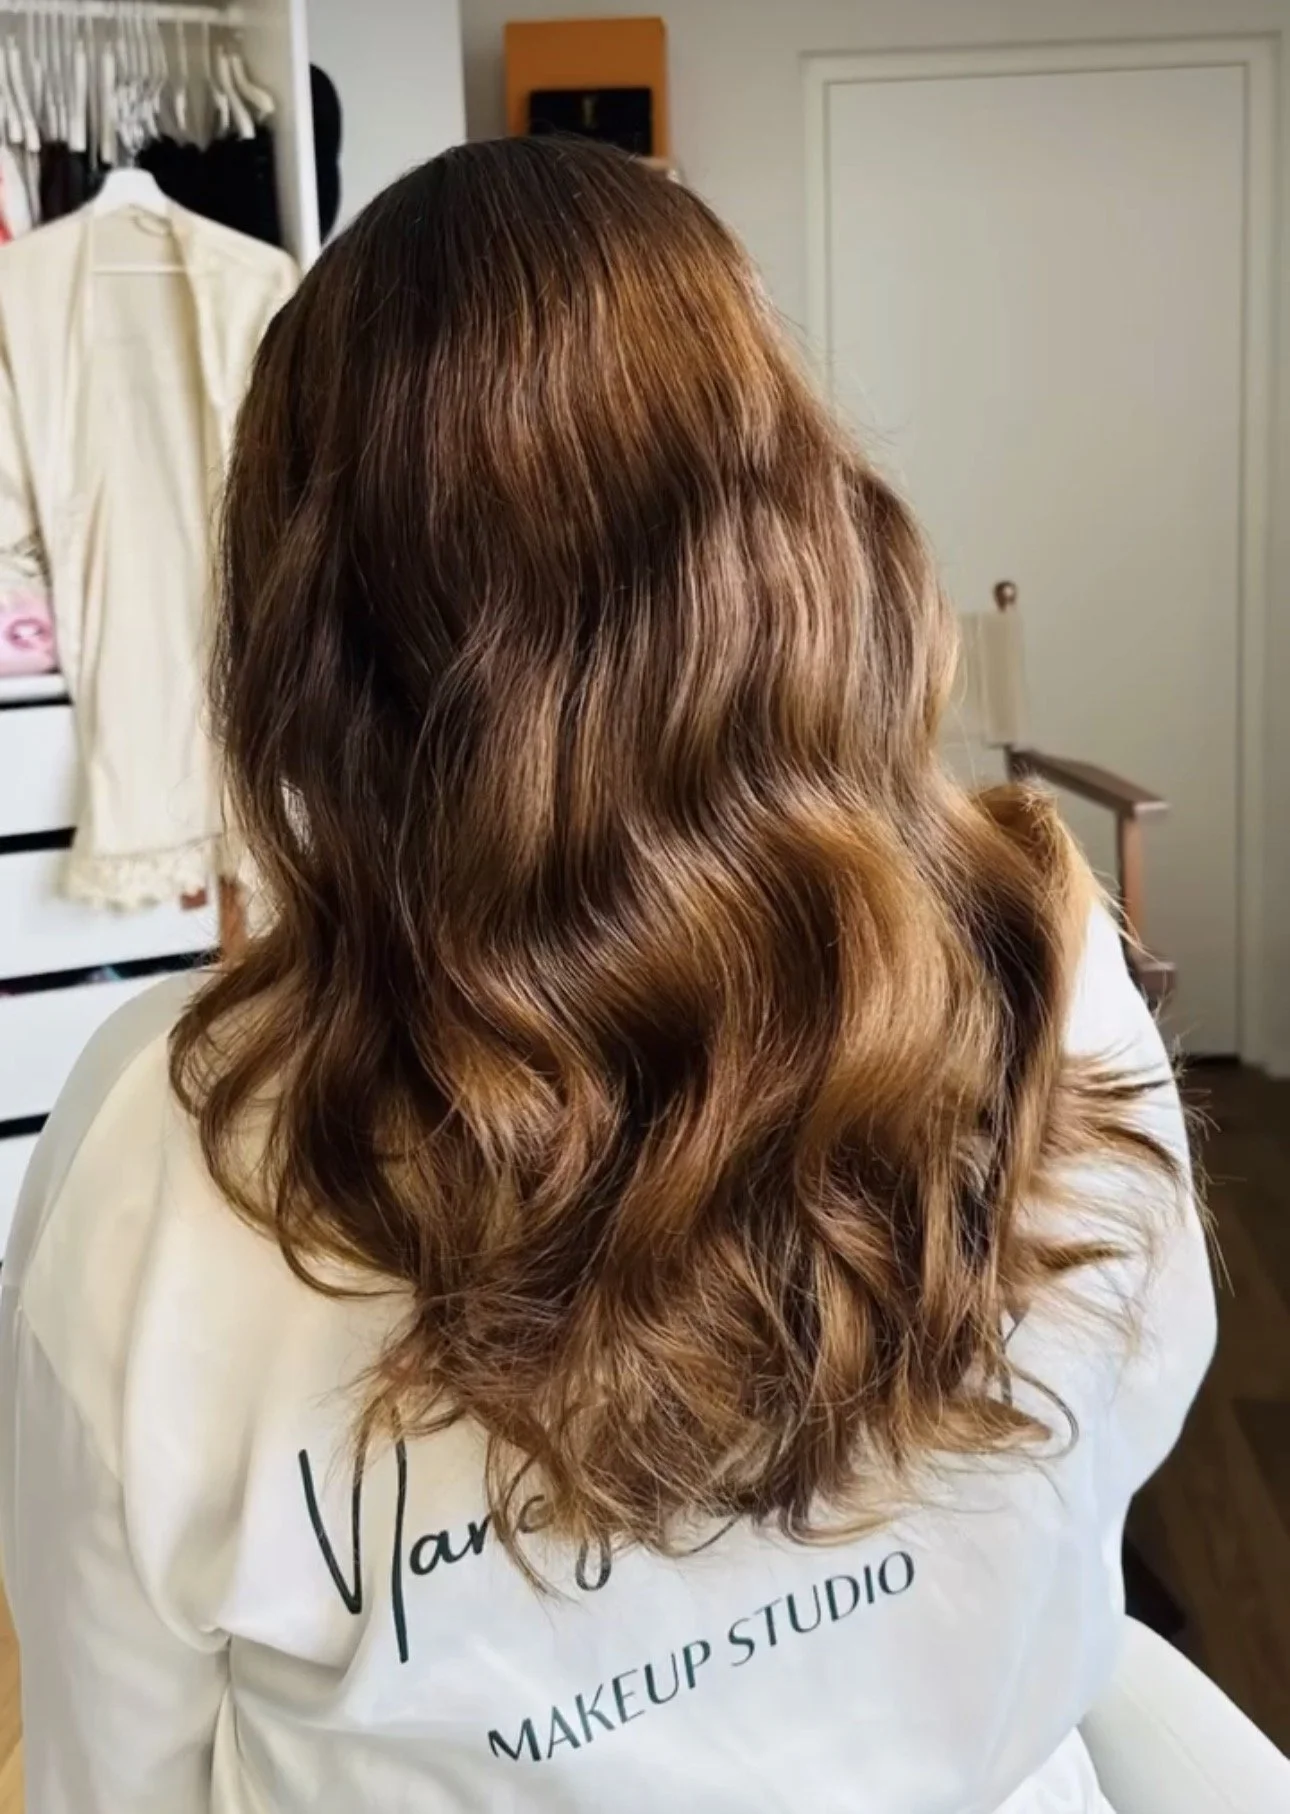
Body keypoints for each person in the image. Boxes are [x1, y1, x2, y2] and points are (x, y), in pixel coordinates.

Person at [0, 138, 1213, 1814]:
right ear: (799, 523)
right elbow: (1135, 1399)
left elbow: (112, 1773)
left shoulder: (181, 1139)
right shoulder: (1030, 941)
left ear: (309, 627)